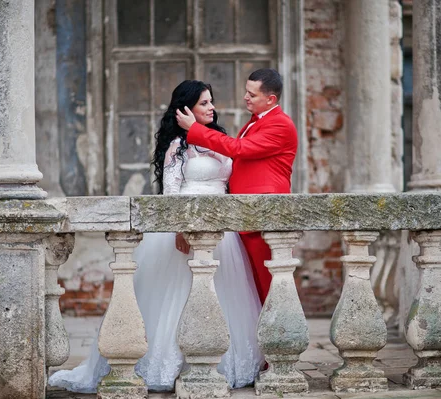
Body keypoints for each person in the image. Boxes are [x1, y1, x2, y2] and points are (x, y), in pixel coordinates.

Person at [49, 80, 264, 393]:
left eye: (211, 102)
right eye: (204, 103)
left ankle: (218, 362)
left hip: (222, 231)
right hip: (185, 224)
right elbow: (172, 190)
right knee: (176, 295)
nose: (211, 108)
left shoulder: (219, 140)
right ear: (186, 108)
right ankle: (171, 363)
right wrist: (179, 228)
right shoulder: (178, 146)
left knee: (222, 293)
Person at [176, 68, 298, 304]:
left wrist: (195, 129)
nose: (246, 97)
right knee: (253, 289)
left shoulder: (280, 125)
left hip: (264, 215)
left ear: (270, 99)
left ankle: (281, 339)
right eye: (246, 92)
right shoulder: (255, 123)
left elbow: (238, 149)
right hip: (245, 215)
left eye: (252, 95)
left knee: (271, 289)